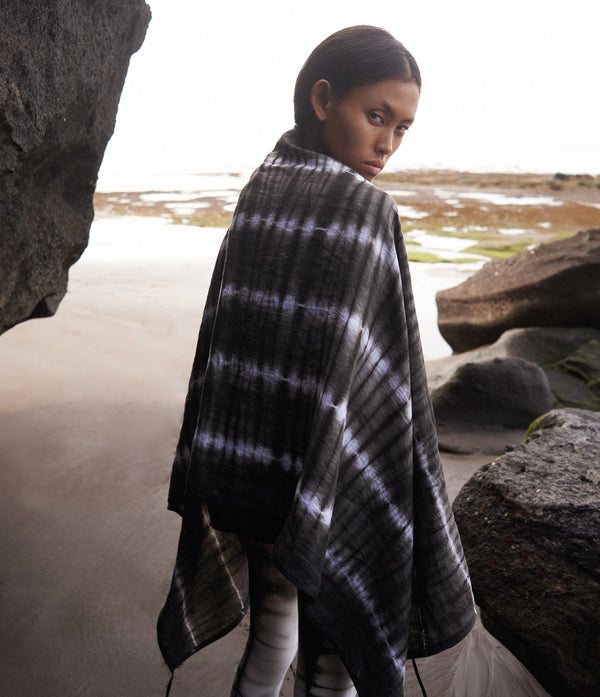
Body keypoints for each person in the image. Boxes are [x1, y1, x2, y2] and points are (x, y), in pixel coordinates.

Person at [157, 25, 476, 697]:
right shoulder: (367, 213)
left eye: (403, 128)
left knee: (274, 628)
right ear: (323, 97)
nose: (387, 143)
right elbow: (390, 377)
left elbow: (236, 345)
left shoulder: (260, 189)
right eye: (376, 116)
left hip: (245, 470)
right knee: (333, 656)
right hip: (325, 481)